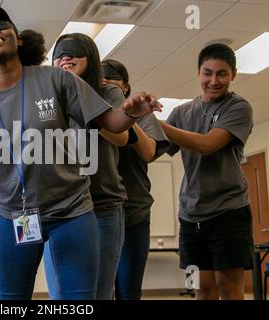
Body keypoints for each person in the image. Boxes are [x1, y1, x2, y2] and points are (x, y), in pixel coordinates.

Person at [0, 3, 162, 300]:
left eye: (1, 26)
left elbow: (111, 123)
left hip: (72, 213)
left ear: (20, 39)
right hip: (16, 218)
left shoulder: (56, 79)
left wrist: (131, 112)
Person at [42, 33, 133, 300]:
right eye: (60, 53)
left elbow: (121, 136)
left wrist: (82, 101)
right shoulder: (48, 100)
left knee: (98, 294)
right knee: (61, 296)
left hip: (101, 207)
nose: (66, 57)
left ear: (90, 57)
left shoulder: (107, 92)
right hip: (60, 211)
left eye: (74, 51)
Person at [160, 43, 254, 300]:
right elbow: (151, 151)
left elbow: (207, 145)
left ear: (233, 74)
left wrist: (159, 125)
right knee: (201, 288)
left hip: (229, 211)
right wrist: (134, 118)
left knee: (229, 287)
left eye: (222, 73)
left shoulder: (238, 108)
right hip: (191, 216)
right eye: (208, 73)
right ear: (198, 72)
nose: (214, 80)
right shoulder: (181, 112)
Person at [102, 59, 169, 300]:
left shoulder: (142, 116)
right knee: (98, 291)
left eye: (112, 80)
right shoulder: (91, 112)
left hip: (133, 212)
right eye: (100, 80)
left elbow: (149, 152)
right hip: (99, 214)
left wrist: (128, 113)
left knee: (128, 291)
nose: (106, 84)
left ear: (126, 87)